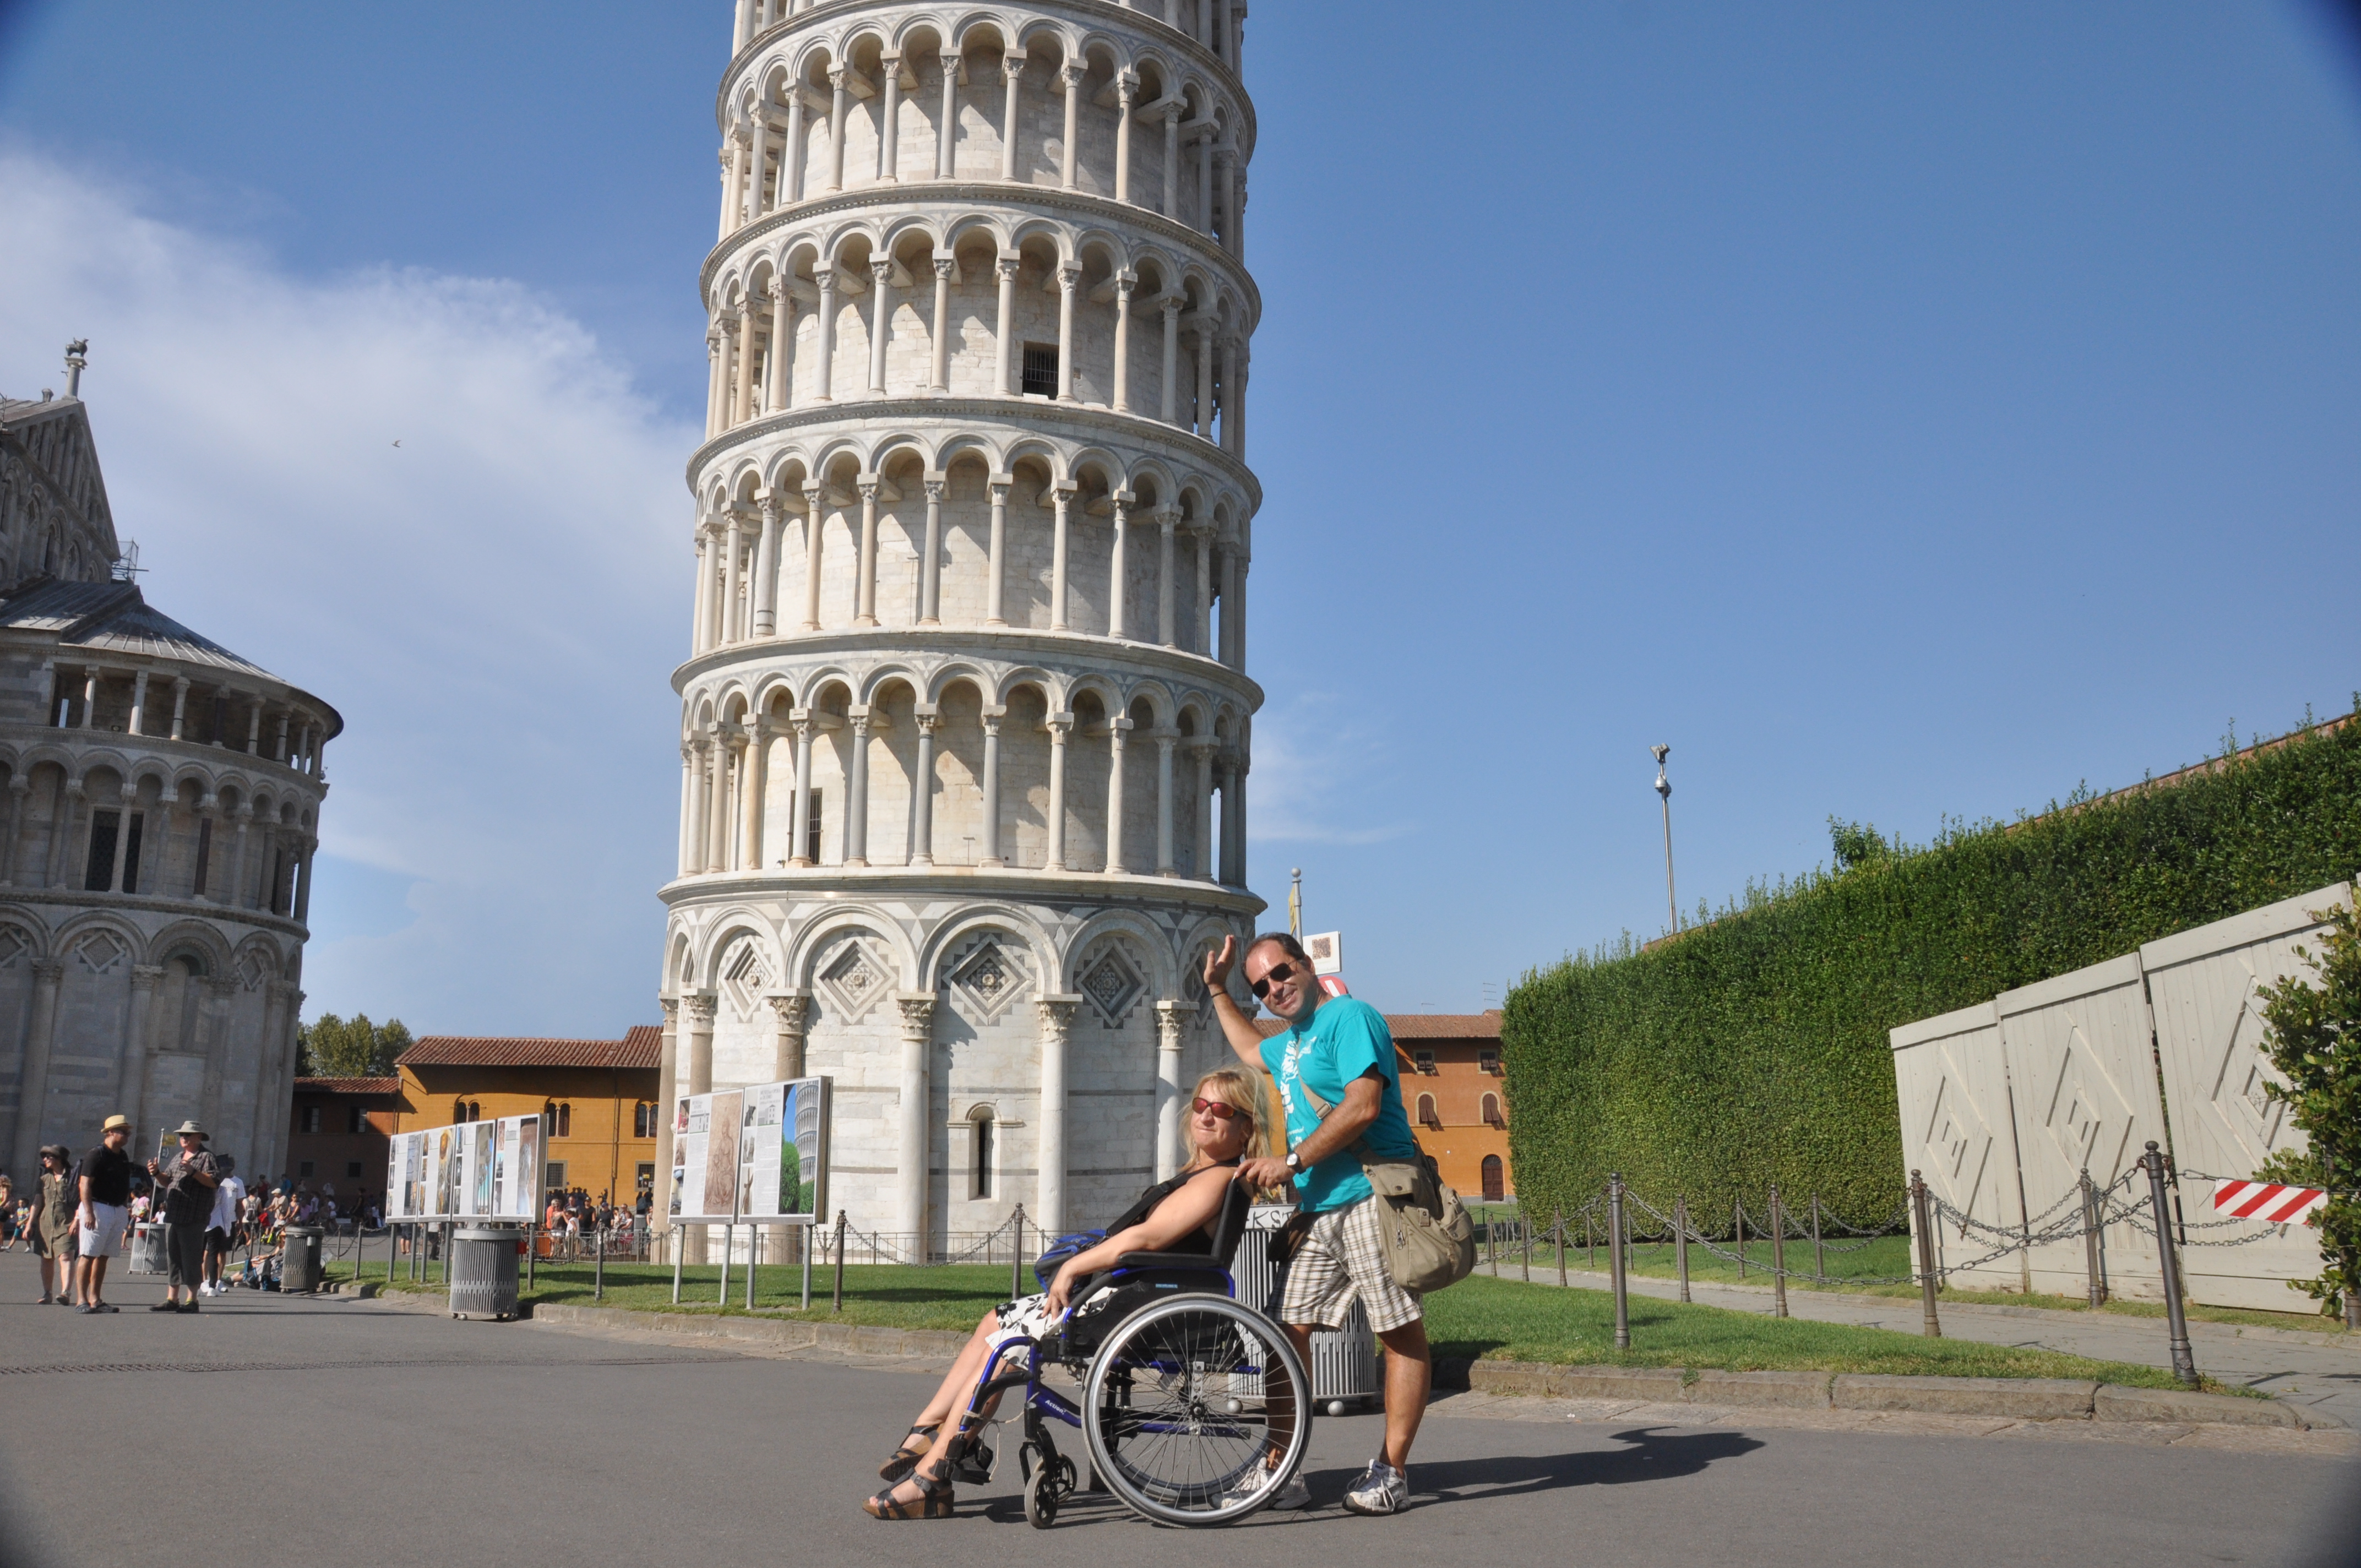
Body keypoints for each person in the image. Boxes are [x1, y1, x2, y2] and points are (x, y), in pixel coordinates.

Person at [860, 1068, 1266, 1521]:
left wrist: (1074, 1266)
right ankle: (927, 1431)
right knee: (993, 1322)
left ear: (1246, 1127)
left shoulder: (1217, 1180)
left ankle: (933, 1477)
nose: (1207, 1117)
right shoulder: (1202, 1173)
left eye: (1223, 1110)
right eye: (1201, 1106)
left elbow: (1148, 1239)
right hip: (1133, 1293)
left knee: (1006, 1346)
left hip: (1142, 1301)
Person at [1206, 932, 1432, 1516]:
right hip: (1318, 1213)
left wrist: (1290, 1161)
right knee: (1287, 1334)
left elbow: (1362, 1105)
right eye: (1260, 986)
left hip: (1369, 1198)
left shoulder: (1349, 1017)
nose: (1273, 988)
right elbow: (1249, 1049)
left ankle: (1391, 1470)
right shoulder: (1290, 1044)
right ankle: (1282, 1469)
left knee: (1397, 1332)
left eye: (1281, 973)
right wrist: (1216, 990)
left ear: (1306, 965)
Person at [149, 1120, 222, 1313]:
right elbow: (167, 1181)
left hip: (194, 1215)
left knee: (190, 1258)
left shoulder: (206, 1157)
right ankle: (172, 1298)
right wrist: (156, 1173)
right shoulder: (177, 1157)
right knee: (173, 1258)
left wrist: (194, 1172)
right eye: (182, 1135)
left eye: (188, 1135)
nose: (184, 1138)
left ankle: (192, 1300)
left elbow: (214, 1181)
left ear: (199, 1137)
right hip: (174, 1214)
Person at [74, 1113, 137, 1313]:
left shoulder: (123, 1156)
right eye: (123, 1132)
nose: (127, 1136)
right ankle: (81, 1300)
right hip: (98, 1206)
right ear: (110, 1133)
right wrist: (89, 1212)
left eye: (128, 1132)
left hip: (117, 1209)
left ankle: (96, 1299)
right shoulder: (97, 1154)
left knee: (103, 1256)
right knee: (88, 1254)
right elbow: (84, 1184)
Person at [29, 1145, 78, 1303]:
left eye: (48, 1157)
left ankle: (66, 1292)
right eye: (44, 1157)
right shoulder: (44, 1179)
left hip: (67, 1221)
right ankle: (47, 1293)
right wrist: (30, 1223)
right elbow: (37, 1201)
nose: (45, 1160)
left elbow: (81, 1201)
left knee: (66, 1255)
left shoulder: (73, 1178)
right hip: (46, 1223)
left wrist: (77, 1220)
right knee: (46, 1258)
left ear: (59, 1159)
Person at [202, 1155, 246, 1297]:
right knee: (207, 1252)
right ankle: (205, 1281)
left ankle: (218, 1280)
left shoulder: (238, 1182)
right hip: (211, 1221)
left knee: (222, 1252)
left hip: (230, 1220)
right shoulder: (214, 1180)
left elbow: (240, 1205)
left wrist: (240, 1221)